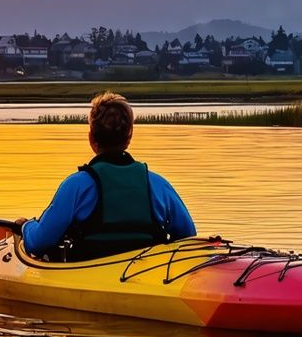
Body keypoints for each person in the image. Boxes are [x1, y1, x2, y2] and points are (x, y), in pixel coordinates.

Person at [17, 91, 196, 259]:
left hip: (91, 276)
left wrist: (26, 226)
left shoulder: (76, 186)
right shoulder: (157, 184)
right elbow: (188, 236)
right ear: (129, 138)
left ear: (91, 139)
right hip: (148, 277)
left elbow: (39, 243)